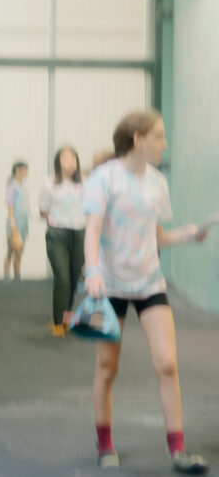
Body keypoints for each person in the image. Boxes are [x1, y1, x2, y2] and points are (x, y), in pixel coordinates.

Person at [83, 111, 209, 473]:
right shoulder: (104, 179)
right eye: (159, 136)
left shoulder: (157, 183)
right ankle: (104, 443)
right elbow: (92, 231)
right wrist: (92, 271)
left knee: (167, 364)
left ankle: (178, 451)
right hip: (110, 285)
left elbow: (157, 238)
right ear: (138, 139)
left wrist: (187, 234)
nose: (164, 143)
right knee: (107, 368)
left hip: (150, 283)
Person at [39, 146, 85, 338]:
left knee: (73, 279)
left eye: (73, 157)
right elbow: (43, 210)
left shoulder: (85, 183)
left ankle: (66, 319)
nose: (69, 161)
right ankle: (58, 322)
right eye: (65, 158)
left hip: (80, 233)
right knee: (63, 279)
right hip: (57, 234)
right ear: (58, 161)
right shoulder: (49, 183)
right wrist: (59, 221)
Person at [4, 161, 29, 280]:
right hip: (15, 221)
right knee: (11, 249)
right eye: (25, 170)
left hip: (23, 221)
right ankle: (7, 275)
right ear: (17, 170)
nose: (26, 173)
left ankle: (17, 274)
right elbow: (10, 206)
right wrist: (13, 224)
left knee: (20, 249)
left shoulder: (22, 186)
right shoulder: (12, 186)